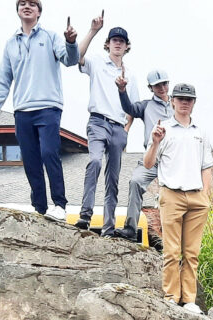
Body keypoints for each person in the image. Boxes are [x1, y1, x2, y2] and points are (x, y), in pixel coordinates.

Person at [0, 0, 79, 221]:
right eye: (22, 3)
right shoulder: (11, 43)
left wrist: (70, 42)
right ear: (18, 10)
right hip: (22, 110)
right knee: (30, 160)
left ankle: (59, 204)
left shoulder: (50, 37)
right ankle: (39, 207)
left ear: (39, 11)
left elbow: (70, 60)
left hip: (48, 107)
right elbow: (3, 78)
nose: (26, 6)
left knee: (49, 153)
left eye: (32, 4)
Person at [144, 83, 213, 314]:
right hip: (171, 194)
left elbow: (207, 166)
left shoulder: (200, 131)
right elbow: (148, 163)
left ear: (194, 102)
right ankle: (171, 297)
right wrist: (154, 142)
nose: (185, 103)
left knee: (192, 252)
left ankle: (190, 300)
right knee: (172, 251)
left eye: (189, 99)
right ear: (172, 100)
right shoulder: (163, 129)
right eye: (181, 99)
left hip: (196, 197)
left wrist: (206, 195)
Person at [73, 12, 140, 237]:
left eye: (121, 41)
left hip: (118, 128)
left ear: (126, 46)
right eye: (114, 40)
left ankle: (108, 228)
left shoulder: (130, 74)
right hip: (98, 122)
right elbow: (76, 55)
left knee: (113, 179)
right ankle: (85, 215)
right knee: (94, 161)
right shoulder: (97, 62)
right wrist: (93, 30)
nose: (118, 44)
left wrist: (126, 131)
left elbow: (132, 107)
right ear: (108, 44)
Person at [113, 69, 173, 242]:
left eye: (164, 83)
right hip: (152, 157)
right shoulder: (146, 106)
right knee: (135, 182)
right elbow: (129, 108)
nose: (162, 87)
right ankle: (130, 228)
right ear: (150, 88)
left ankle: (172, 237)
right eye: (157, 85)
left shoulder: (177, 103)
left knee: (171, 195)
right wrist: (122, 91)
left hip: (173, 159)